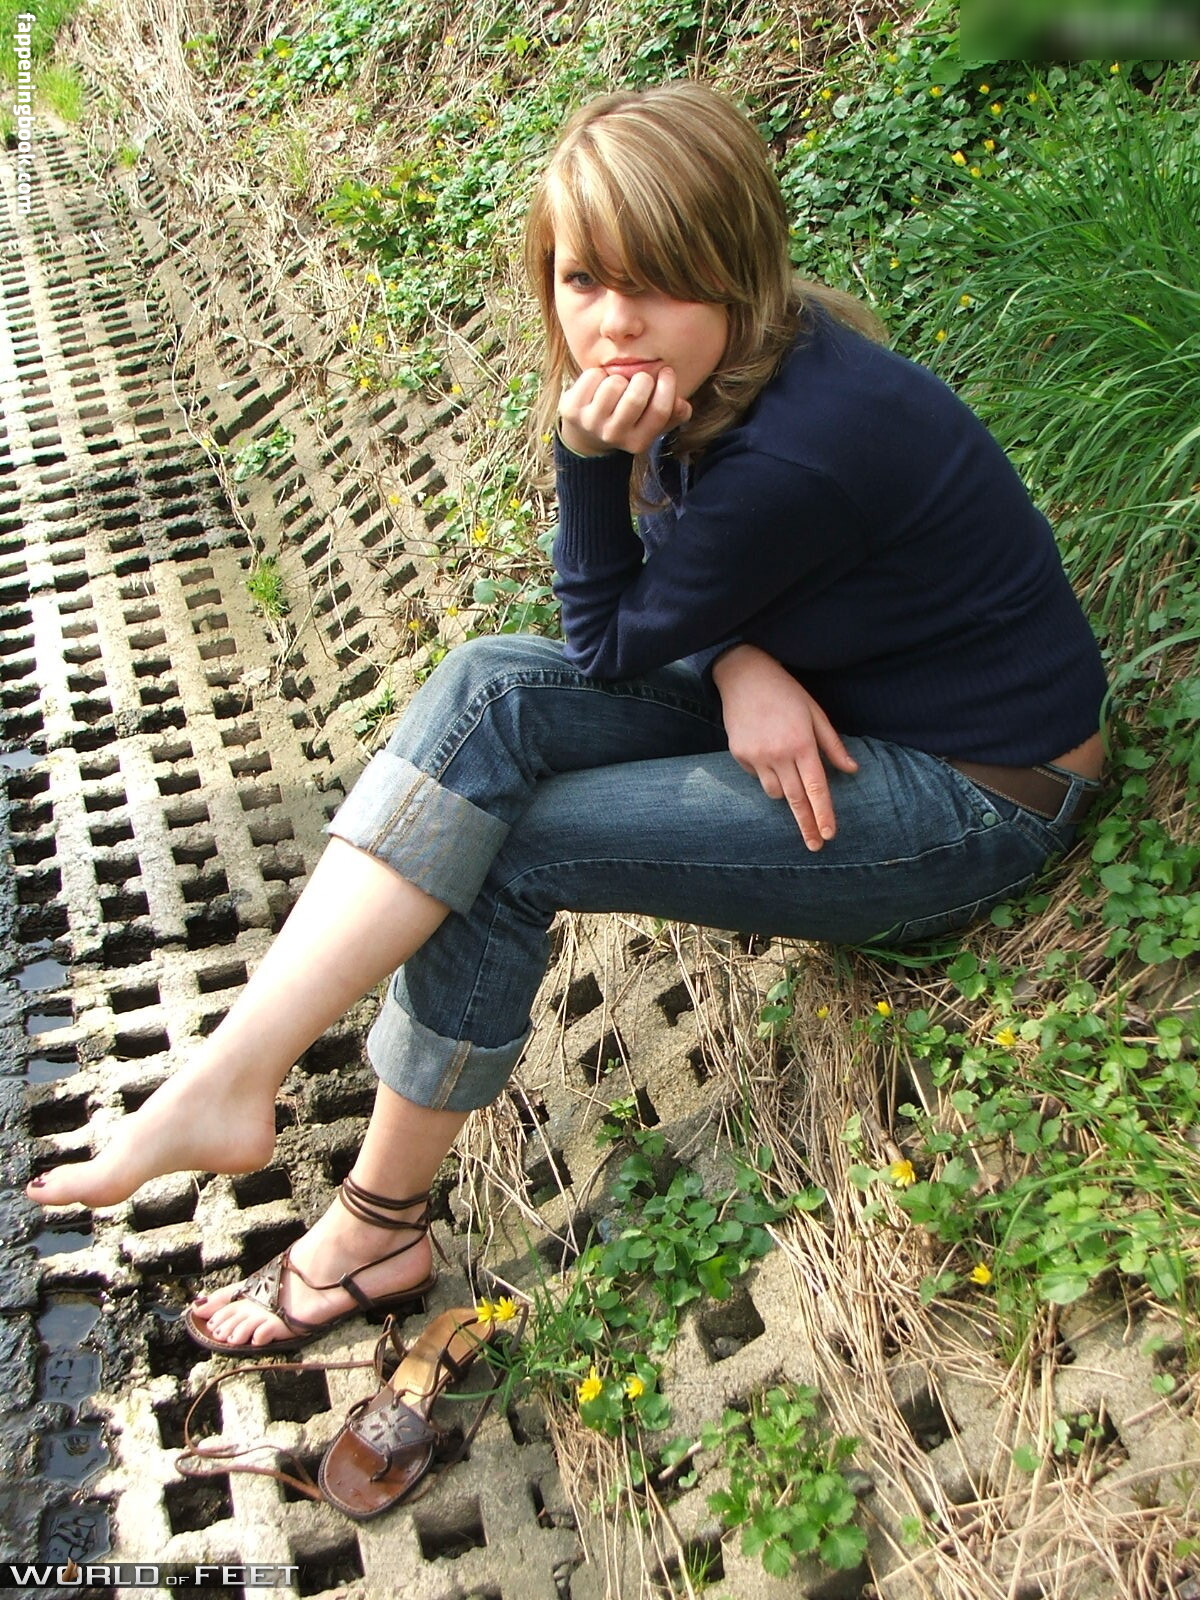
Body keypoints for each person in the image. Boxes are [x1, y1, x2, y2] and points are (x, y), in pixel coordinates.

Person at [26, 82, 1106, 1353]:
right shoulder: (747, 366)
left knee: (513, 848)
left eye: (659, 281)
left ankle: (375, 1227)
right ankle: (231, 1074)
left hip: (978, 795)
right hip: (852, 706)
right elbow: (689, 597)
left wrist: (588, 463)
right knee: (491, 684)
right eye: (584, 278)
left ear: (738, 271)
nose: (612, 322)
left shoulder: (795, 448)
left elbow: (609, 632)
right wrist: (740, 657)